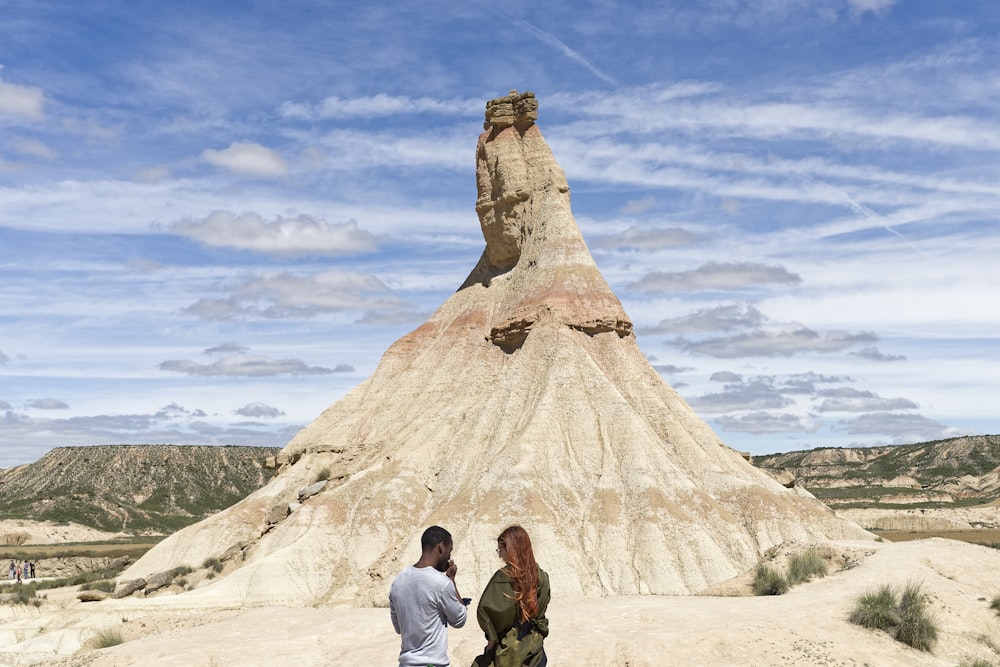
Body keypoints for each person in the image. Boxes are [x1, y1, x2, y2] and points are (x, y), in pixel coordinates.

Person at [389, 525, 468, 667]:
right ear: (441, 547)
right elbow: (459, 620)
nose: (450, 557)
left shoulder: (398, 582)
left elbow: (398, 628)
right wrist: (451, 580)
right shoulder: (441, 583)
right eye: (449, 551)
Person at [473, 525, 550, 667]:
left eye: (500, 550)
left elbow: (488, 614)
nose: (500, 555)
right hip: (535, 652)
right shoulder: (542, 576)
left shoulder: (503, 577)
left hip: (510, 654)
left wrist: (490, 647)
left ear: (511, 550)